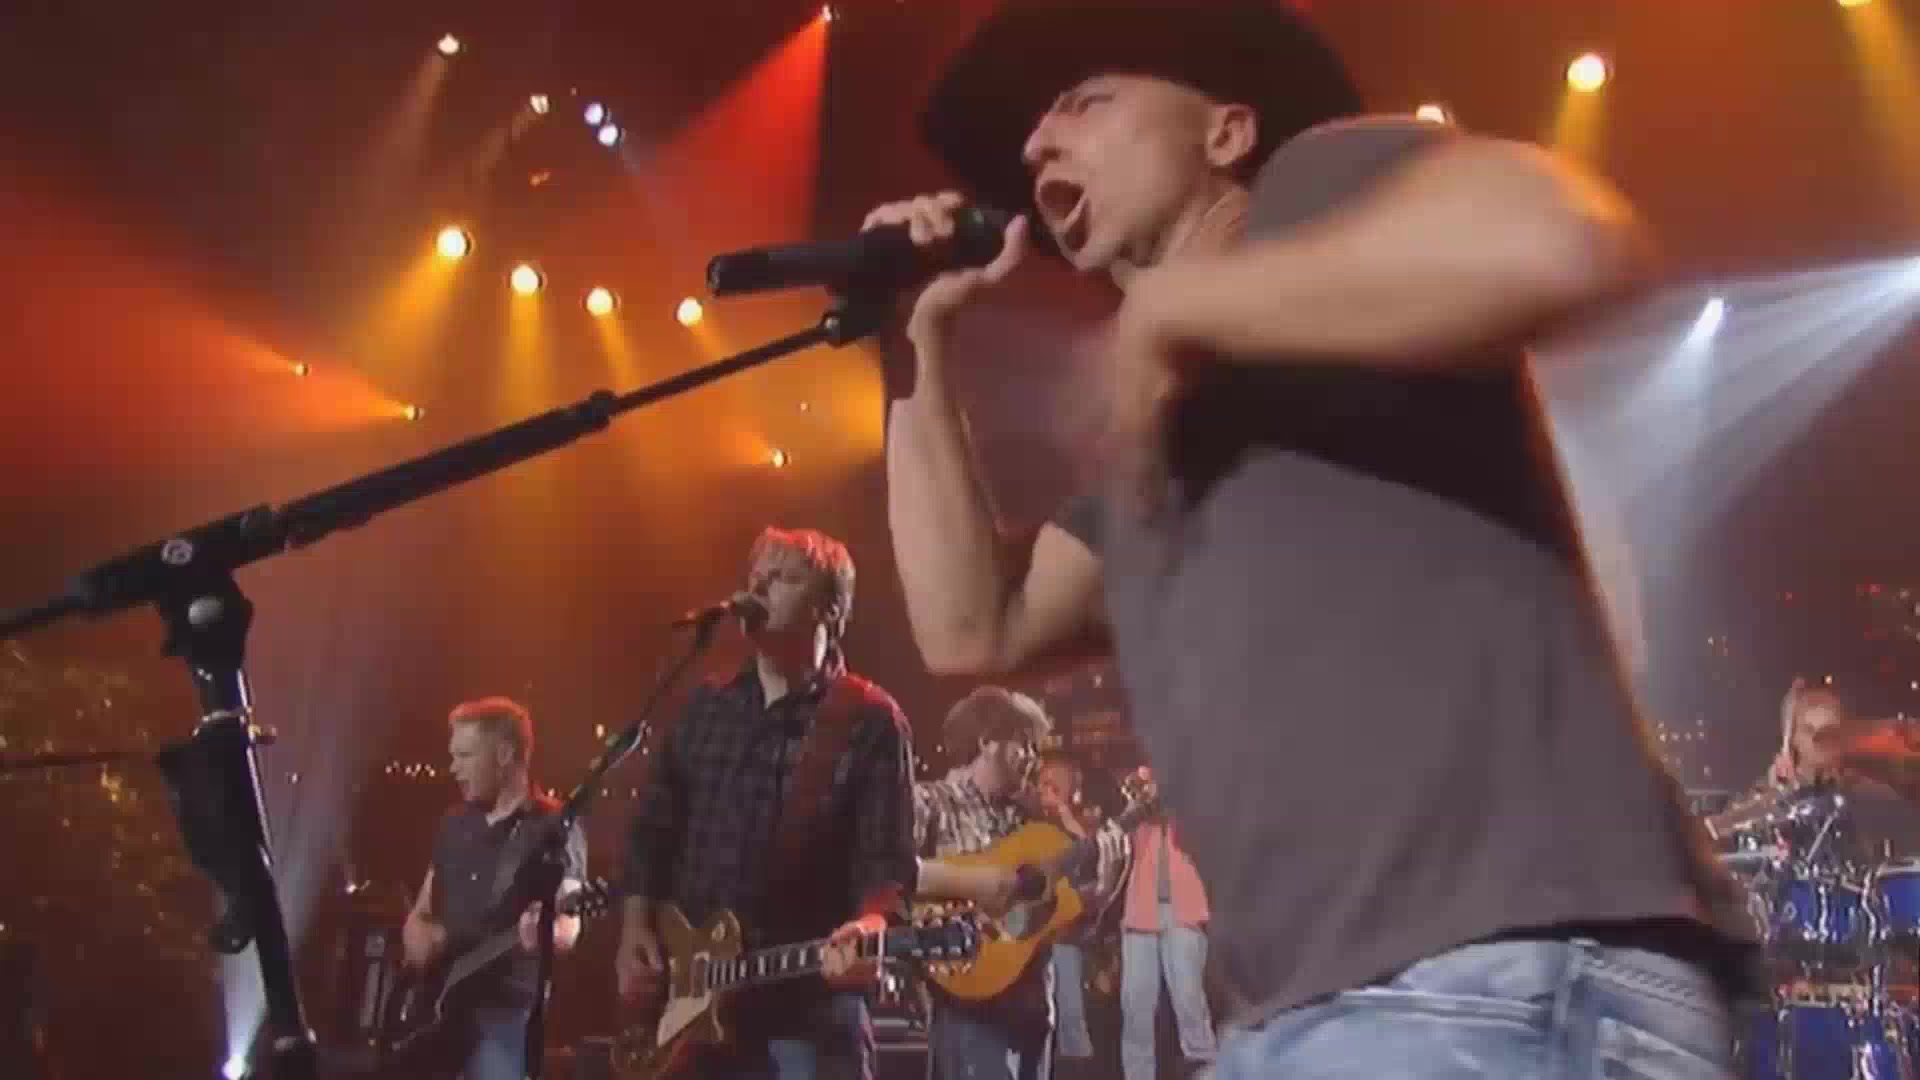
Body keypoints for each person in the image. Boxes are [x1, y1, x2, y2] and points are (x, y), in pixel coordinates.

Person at [871, 0, 1756, 1074]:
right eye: (1035, 128)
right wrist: (913, 339)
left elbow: (1565, 239)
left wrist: (1183, 309)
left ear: (1227, 131)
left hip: (1498, 979)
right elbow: (974, 626)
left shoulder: (1314, 190)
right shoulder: (1162, 443)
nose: (1036, 143)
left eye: (1085, 101)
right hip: (1332, 1010)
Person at [616, 527, 916, 1080]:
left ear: (829, 607)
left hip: (806, 1008)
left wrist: (870, 926)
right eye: (755, 575)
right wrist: (635, 929)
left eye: (782, 578)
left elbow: (888, 868)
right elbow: (652, 829)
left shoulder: (869, 719)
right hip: (693, 1011)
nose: (758, 587)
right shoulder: (706, 705)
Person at [913, 688, 1126, 1080]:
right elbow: (888, 876)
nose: (1032, 759)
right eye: (1023, 745)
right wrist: (977, 883)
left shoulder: (1030, 819)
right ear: (987, 741)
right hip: (971, 1013)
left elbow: (1058, 928)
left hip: (1033, 1013)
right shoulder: (932, 804)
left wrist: (1100, 894)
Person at [400, 697, 588, 1080]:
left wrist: (544, 933)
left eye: (465, 756)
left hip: (506, 1011)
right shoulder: (454, 824)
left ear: (503, 755)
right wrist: (417, 937)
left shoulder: (554, 826)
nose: (454, 768)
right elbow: (421, 911)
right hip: (437, 1007)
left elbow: (569, 924)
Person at [1118, 768, 1214, 1080]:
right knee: (1135, 1006)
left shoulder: (1194, 799)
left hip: (1184, 910)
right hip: (1140, 913)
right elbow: (1122, 831)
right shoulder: (1137, 799)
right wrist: (1140, 801)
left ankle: (1205, 1070)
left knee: (1189, 1002)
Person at [1031, 752, 1101, 1078]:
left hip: (1066, 935)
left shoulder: (1081, 825)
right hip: (1033, 937)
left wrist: (1063, 812)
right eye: (1043, 783)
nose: (1045, 790)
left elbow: (1089, 857)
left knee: (1071, 1014)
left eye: (1054, 785)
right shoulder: (1028, 820)